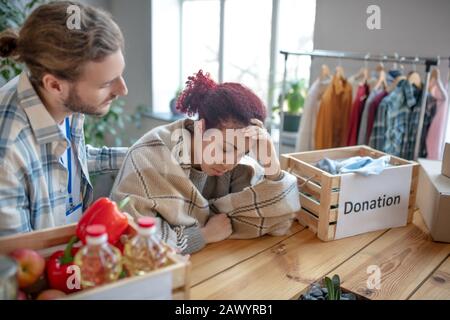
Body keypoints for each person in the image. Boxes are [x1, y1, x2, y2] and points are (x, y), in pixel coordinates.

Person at [111, 70, 300, 254]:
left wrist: (272, 166)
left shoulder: (239, 167)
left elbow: (279, 220)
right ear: (200, 128)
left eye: (242, 152)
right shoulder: (151, 153)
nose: (230, 163)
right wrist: (203, 235)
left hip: (216, 263)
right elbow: (131, 237)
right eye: (226, 148)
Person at [0, 1, 128, 235]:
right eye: (107, 83)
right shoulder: (7, 154)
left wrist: (146, 153)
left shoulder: (64, 98)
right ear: (55, 84)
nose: (122, 90)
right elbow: (17, 264)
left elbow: (71, 160)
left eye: (119, 75)